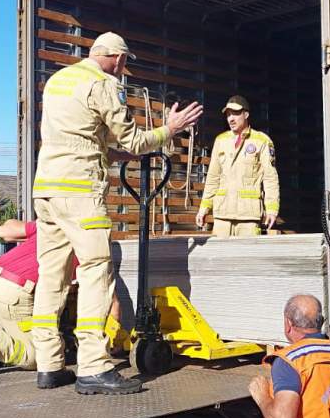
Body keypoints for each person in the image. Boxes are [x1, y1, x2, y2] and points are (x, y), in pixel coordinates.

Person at [32, 31, 202, 395]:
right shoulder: (104, 84)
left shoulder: (59, 80)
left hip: (46, 190)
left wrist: (124, 153)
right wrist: (170, 129)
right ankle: (93, 366)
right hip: (80, 193)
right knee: (96, 271)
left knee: (51, 277)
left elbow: (88, 140)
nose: (123, 71)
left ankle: (48, 364)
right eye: (124, 65)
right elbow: (133, 140)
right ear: (119, 59)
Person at [0, 219, 126, 380]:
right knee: (43, 356)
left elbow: (3, 231)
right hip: (12, 291)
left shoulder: (54, 226)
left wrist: (35, 232)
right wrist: (113, 340)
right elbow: (112, 304)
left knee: (11, 312)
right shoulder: (93, 253)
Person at [196, 95, 280, 238]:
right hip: (222, 215)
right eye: (228, 115)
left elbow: (270, 178)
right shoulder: (221, 140)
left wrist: (272, 209)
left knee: (246, 253)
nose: (231, 119)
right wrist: (204, 208)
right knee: (220, 252)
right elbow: (213, 177)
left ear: (246, 114)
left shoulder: (261, 141)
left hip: (248, 216)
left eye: (235, 113)